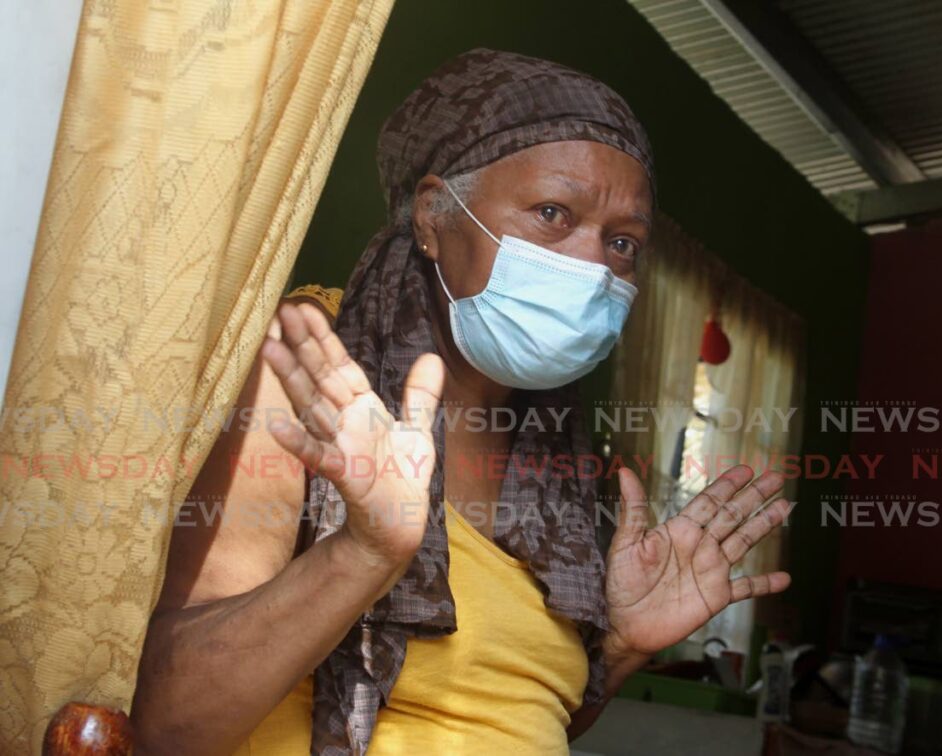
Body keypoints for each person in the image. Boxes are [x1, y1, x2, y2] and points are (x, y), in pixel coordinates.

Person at [130, 48, 792, 755]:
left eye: (622, 242)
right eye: (551, 213)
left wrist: (623, 647)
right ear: (433, 215)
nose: (594, 266)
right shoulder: (310, 375)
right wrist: (362, 552)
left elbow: (507, 717)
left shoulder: (556, 459)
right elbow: (167, 722)